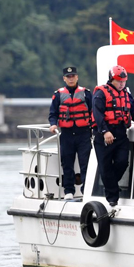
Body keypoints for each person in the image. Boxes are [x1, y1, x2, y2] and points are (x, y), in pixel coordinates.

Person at [92, 65, 134, 207]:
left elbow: (132, 110)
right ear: (112, 79)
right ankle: (112, 199)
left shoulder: (126, 94)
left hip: (121, 132)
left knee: (122, 162)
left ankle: (110, 186)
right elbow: (97, 115)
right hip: (103, 134)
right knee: (105, 167)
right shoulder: (101, 93)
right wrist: (105, 132)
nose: (122, 83)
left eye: (124, 81)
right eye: (119, 81)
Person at [48, 66, 93, 200]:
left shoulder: (86, 93)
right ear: (64, 79)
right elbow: (53, 114)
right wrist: (53, 125)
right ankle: (69, 191)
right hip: (66, 134)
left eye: (73, 76)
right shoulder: (58, 95)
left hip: (83, 133)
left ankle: (87, 190)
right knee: (67, 163)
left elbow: (93, 111)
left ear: (77, 77)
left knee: (85, 163)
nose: (71, 78)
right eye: (68, 77)